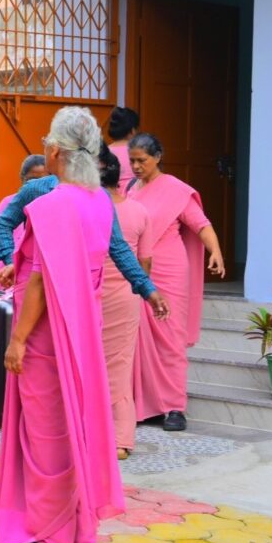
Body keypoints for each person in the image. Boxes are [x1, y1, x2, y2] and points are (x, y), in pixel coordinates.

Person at [0, 106, 124, 543]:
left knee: (45, 430)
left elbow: (44, 283)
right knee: (71, 426)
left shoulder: (52, 203)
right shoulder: (101, 202)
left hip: (49, 333)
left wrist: (18, 339)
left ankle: (49, 531)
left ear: (55, 150)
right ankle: (75, 524)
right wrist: (21, 268)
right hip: (84, 328)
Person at [0, 149, 170, 322]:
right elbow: (3, 223)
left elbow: (118, 247)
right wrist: (12, 261)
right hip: (34, 287)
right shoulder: (37, 189)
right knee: (29, 347)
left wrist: (147, 289)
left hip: (76, 291)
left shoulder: (100, 197)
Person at [127, 133, 225, 432]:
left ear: (158, 157)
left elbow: (201, 224)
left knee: (170, 338)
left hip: (169, 270)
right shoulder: (131, 189)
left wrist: (216, 251)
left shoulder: (176, 190)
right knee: (138, 339)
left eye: (142, 160)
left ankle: (174, 407)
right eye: (132, 161)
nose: (136, 166)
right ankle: (146, 405)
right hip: (138, 272)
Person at [98, 147, 153, 459]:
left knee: (88, 365)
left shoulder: (87, 208)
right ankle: (120, 440)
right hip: (126, 296)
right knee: (120, 366)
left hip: (89, 294)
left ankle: (91, 433)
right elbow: (145, 263)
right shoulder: (139, 211)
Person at [0, 154, 48, 293]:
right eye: (32, 180)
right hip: (6, 279)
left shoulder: (51, 206)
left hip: (34, 281)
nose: (36, 185)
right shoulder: (9, 203)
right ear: (22, 180)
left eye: (43, 180)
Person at [106, 106, 139, 191]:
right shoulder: (139, 152)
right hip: (134, 198)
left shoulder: (104, 152)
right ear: (133, 130)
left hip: (109, 198)